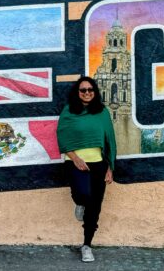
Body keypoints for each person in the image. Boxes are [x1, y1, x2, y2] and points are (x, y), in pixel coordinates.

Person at [56, 76, 117, 263]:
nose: (87, 93)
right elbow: (62, 136)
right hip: (75, 162)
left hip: (98, 163)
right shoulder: (69, 111)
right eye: (83, 90)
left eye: (90, 90)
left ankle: (87, 245)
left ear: (95, 92)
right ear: (77, 92)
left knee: (95, 206)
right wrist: (75, 158)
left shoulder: (102, 112)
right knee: (82, 194)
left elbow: (110, 140)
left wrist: (110, 167)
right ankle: (80, 203)